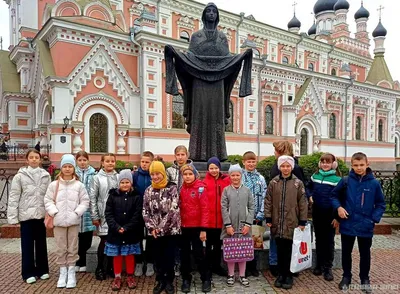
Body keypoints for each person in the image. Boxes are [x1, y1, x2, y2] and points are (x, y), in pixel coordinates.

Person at [165, 3, 253, 161]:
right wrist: (176, 54)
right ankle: (197, 154)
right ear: (204, 15)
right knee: (199, 114)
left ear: (217, 16)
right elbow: (191, 58)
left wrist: (241, 56)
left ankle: (218, 154)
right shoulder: (196, 36)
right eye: (208, 11)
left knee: (216, 117)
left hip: (218, 83)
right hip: (199, 82)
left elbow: (226, 60)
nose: (211, 14)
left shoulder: (222, 37)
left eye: (214, 11)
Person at [331, 152, 386, 293]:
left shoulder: (374, 183)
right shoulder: (345, 181)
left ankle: (365, 279)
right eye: (356, 165)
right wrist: (339, 208)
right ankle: (346, 277)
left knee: (365, 253)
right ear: (352, 165)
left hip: (365, 225)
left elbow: (380, 204)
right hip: (348, 223)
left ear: (367, 164)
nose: (359, 168)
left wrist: (373, 218)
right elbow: (334, 196)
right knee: (346, 252)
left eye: (361, 165)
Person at [44, 154, 89, 289]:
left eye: (70, 166)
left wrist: (77, 213)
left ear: (73, 168)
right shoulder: (54, 185)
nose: (68, 169)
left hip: (73, 221)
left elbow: (85, 201)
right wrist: (54, 212)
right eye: (65, 166)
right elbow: (48, 200)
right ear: (61, 168)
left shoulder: (79, 185)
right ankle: (62, 272)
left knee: (73, 247)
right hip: (58, 221)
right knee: (61, 247)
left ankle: (71, 271)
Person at [7, 149, 51, 284]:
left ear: (39, 160)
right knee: (27, 245)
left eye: (36, 157)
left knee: (41, 244)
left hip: (40, 215)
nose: (34, 160)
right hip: (26, 216)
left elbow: (49, 196)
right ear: (27, 160)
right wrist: (12, 217)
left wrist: (50, 212)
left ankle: (42, 269)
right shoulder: (20, 176)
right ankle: (28, 272)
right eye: (31, 157)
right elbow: (14, 196)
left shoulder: (45, 175)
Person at [265, 156, 308, 290]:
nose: (285, 168)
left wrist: (302, 221)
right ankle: (281, 274)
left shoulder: (297, 183)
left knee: (290, 250)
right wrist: (268, 218)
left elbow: (302, 203)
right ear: (279, 167)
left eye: (288, 166)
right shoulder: (274, 182)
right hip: (277, 223)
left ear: (292, 167)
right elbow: (268, 201)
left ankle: (288, 274)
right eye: (283, 166)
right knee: (280, 249)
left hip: (292, 222)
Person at [142, 161, 181, 294]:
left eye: (157, 173)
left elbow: (173, 210)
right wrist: (152, 228)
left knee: (169, 256)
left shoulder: (172, 188)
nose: (155, 177)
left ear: (163, 173)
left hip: (170, 230)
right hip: (154, 232)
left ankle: (169, 281)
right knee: (157, 257)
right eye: (152, 174)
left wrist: (161, 228)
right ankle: (160, 280)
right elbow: (145, 210)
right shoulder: (148, 190)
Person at [105, 169, 142, 291]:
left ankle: (130, 276)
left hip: (130, 232)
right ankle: (117, 277)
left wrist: (127, 227)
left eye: (127, 182)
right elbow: (108, 214)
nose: (125, 185)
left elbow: (137, 215)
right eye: (122, 182)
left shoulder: (136, 197)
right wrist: (116, 227)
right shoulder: (112, 196)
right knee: (117, 255)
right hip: (115, 232)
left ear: (131, 183)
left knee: (129, 254)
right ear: (118, 183)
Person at [306, 153, 341, 281]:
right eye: (323, 162)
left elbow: (340, 199)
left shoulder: (337, 180)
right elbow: (308, 187)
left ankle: (328, 267)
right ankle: (319, 265)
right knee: (319, 240)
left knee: (329, 241)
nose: (325, 164)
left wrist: (337, 217)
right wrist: (309, 196)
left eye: (328, 162)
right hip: (317, 213)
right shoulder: (315, 176)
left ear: (333, 164)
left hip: (330, 215)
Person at [221, 164, 254, 287]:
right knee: (230, 250)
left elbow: (251, 207)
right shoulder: (226, 190)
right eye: (233, 175)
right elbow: (224, 208)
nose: (235, 177)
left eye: (237, 175)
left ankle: (242, 274)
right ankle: (230, 274)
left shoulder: (247, 190)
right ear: (230, 176)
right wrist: (228, 225)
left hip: (244, 227)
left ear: (241, 175)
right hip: (231, 227)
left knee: (242, 251)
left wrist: (248, 224)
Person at [179, 163, 210, 293]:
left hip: (197, 227)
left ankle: (205, 278)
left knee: (199, 254)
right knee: (184, 254)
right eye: (185, 174)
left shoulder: (200, 188)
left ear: (195, 175)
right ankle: (186, 278)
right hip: (184, 227)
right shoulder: (181, 189)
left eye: (190, 174)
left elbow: (205, 209)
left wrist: (203, 229)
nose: (187, 177)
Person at [89, 153, 118, 280]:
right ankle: (100, 267)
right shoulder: (96, 178)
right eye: (107, 161)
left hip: (116, 215)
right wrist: (95, 216)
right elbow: (93, 198)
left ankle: (111, 267)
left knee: (114, 241)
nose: (110, 163)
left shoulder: (118, 177)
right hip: (102, 214)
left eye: (112, 161)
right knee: (104, 241)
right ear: (102, 163)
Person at [241, 151, 267, 277]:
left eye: (253, 161)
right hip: (244, 215)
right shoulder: (240, 177)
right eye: (248, 161)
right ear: (244, 162)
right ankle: (244, 267)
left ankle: (254, 266)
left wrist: (262, 212)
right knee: (244, 241)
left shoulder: (260, 178)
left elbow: (264, 196)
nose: (251, 164)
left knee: (256, 242)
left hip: (257, 216)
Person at [203, 157, 230, 277]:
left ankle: (217, 266)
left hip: (221, 220)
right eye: (211, 168)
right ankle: (207, 267)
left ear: (219, 168)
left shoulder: (226, 180)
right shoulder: (204, 182)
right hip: (209, 220)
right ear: (208, 169)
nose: (214, 170)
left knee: (219, 244)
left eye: (216, 168)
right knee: (209, 245)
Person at [132, 151, 154, 277]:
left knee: (151, 237)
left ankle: (150, 262)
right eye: (143, 162)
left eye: (147, 162)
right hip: (138, 211)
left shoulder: (154, 175)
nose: (144, 164)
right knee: (137, 237)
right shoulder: (135, 175)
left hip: (152, 211)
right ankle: (139, 262)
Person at [74, 151, 97, 272]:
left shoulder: (93, 174)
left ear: (88, 161)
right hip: (76, 210)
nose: (82, 162)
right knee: (75, 237)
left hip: (88, 211)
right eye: (80, 160)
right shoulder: (73, 174)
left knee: (86, 237)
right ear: (76, 161)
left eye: (84, 160)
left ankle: (84, 261)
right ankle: (77, 261)